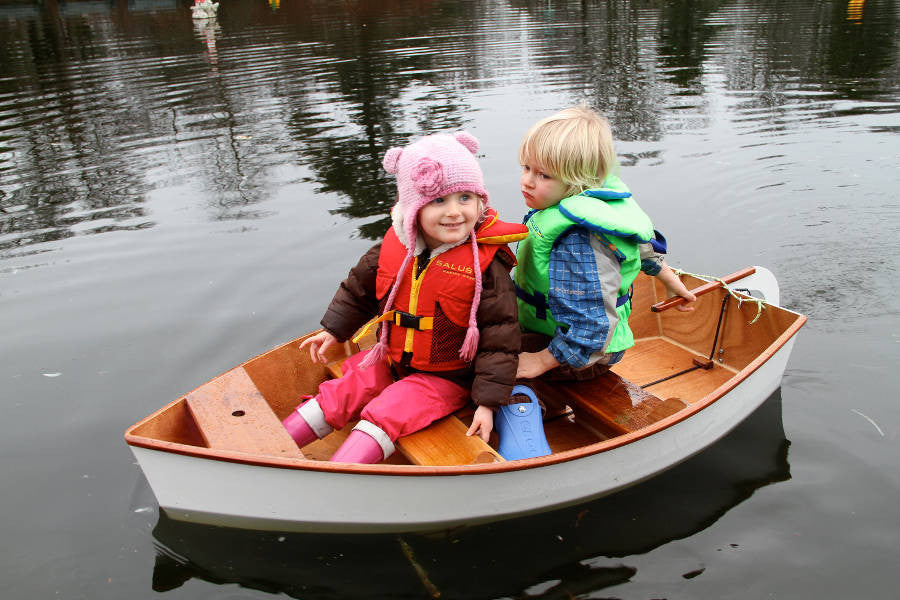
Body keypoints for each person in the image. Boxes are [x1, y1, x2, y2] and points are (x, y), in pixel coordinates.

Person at [282, 131, 528, 463]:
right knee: (340, 393)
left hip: (449, 377)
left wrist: (487, 403)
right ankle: (271, 449)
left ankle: (339, 474)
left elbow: (501, 339)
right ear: (413, 208)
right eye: (439, 201)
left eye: (465, 197)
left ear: (480, 200)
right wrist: (334, 330)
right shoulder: (393, 247)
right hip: (394, 360)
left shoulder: (485, 267)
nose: (455, 212)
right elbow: (358, 290)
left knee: (388, 411)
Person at [514, 105, 696, 380]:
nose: (527, 181)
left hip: (582, 353)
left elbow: (592, 327)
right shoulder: (591, 204)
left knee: (489, 359)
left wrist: (539, 361)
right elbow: (641, 248)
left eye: (543, 175)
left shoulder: (576, 242)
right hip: (559, 332)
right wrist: (671, 281)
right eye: (526, 168)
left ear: (578, 181)